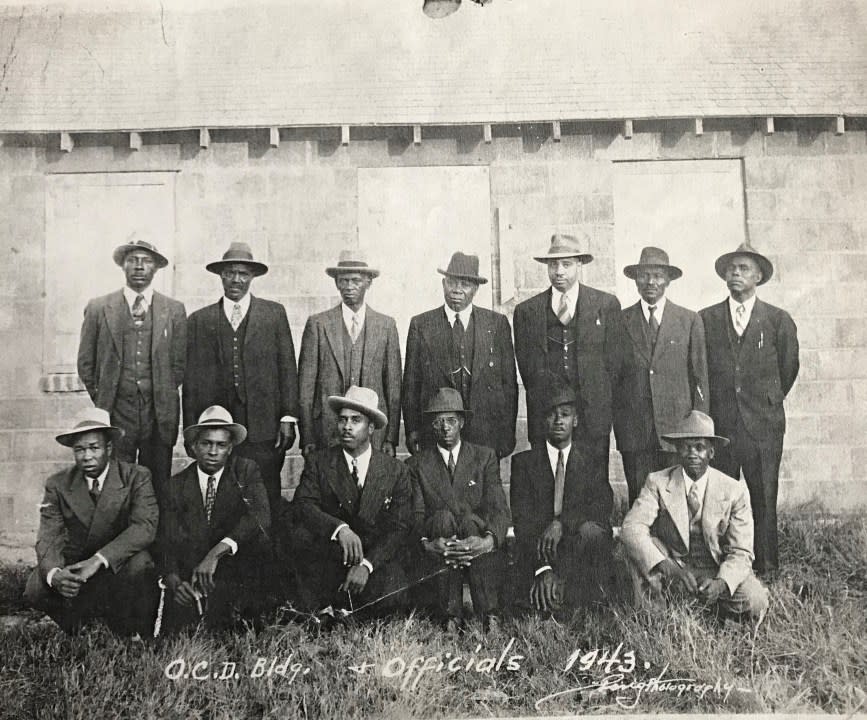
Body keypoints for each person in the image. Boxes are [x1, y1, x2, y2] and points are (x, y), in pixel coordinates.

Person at [699, 243, 799, 575]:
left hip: (763, 427)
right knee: (722, 499)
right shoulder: (707, 319)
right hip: (723, 428)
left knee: (764, 498)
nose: (736, 274)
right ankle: (726, 564)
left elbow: (788, 370)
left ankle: (767, 567)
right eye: (731, 269)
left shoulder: (777, 320)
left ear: (758, 276)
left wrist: (764, 403)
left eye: (743, 268)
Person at [184, 242, 300, 524]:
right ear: (220, 276)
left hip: (264, 427)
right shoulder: (201, 320)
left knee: (266, 492)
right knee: (224, 495)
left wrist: (287, 416)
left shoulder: (273, 314)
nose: (236, 279)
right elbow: (191, 381)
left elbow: (287, 367)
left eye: (243, 274)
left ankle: (267, 559)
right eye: (230, 273)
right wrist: (190, 428)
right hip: (219, 430)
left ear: (252, 277)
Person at [621, 410, 769, 621]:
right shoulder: (658, 482)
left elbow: (742, 551)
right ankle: (661, 615)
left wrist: (721, 583)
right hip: (675, 568)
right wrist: (669, 568)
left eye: (699, 447)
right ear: (677, 451)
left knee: (755, 601)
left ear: (711, 452)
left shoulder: (734, 490)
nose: (692, 454)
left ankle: (704, 607)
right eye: (686, 447)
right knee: (640, 552)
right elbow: (631, 528)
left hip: (716, 569)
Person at [23, 408, 159, 635]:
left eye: (94, 448)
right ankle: (78, 627)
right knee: (35, 587)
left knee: (142, 564)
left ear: (108, 448)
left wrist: (98, 560)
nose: (87, 456)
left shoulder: (136, 476)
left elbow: (145, 527)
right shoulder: (58, 484)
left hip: (116, 565)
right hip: (78, 568)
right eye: (80, 449)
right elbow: (49, 535)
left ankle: (130, 630)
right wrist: (55, 574)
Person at [77, 237, 186, 500]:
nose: (139, 266)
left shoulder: (173, 310)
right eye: (132, 261)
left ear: (156, 268)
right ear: (123, 266)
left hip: (158, 415)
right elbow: (86, 363)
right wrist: (105, 397)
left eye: (146, 261)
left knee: (156, 484)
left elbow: (180, 364)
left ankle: (155, 540)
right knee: (116, 482)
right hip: (116, 414)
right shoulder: (99, 307)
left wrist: (161, 392)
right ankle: (119, 538)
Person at [289, 386, 412, 614]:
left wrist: (366, 565)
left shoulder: (395, 470)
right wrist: (340, 529)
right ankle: (329, 607)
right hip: (332, 556)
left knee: (392, 595)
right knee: (301, 540)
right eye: (342, 420)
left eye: (356, 420)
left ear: (371, 427)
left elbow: (400, 527)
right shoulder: (320, 462)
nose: (346, 427)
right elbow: (303, 504)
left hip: (373, 561)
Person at [513, 233, 624, 479]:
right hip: (547, 414)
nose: (559, 271)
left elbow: (614, 365)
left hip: (591, 414)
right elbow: (527, 368)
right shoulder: (527, 312)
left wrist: (594, 395)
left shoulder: (605, 305)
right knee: (547, 477)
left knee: (593, 480)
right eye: (553, 265)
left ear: (580, 265)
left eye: (566, 264)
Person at [158, 406, 271, 629]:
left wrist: (214, 554)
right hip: (192, 575)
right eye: (206, 443)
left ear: (230, 448)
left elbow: (260, 516)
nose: (213, 451)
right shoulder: (176, 485)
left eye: (221, 445)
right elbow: (166, 538)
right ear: (193, 447)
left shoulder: (245, 471)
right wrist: (173, 580)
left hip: (231, 567)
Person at [407, 388, 509, 630]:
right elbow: (417, 515)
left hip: (475, 541)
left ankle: (488, 613)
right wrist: (427, 543)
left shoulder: (484, 457)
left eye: (451, 420)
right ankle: (449, 615)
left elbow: (499, 510)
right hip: (440, 542)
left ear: (462, 422)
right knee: (442, 518)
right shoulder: (417, 464)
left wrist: (488, 541)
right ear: (431, 426)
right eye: (438, 422)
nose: (445, 428)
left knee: (471, 523)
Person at [615, 246, 709, 505]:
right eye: (644, 275)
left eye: (657, 276)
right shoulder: (621, 321)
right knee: (641, 501)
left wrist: (697, 431)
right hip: (635, 431)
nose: (651, 282)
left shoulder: (689, 320)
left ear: (668, 280)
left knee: (677, 501)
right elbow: (613, 377)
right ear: (635, 280)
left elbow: (700, 378)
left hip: (677, 432)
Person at [403, 252, 517, 459]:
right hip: (436, 433)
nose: (456, 290)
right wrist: (412, 430)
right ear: (443, 284)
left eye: (464, 284)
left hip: (485, 434)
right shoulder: (421, 325)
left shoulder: (496, 324)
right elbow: (411, 384)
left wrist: (507, 433)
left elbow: (509, 385)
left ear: (475, 289)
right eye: (451, 282)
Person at [510, 386, 613, 612]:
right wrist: (543, 569)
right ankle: (550, 590)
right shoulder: (524, 464)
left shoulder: (592, 460)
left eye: (565, 415)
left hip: (576, 549)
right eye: (551, 415)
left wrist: (562, 522)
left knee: (593, 532)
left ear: (575, 421)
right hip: (540, 550)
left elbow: (602, 507)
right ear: (542, 420)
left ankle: (571, 592)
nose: (558, 421)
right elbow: (522, 523)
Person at [299, 250, 402, 458]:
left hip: (374, 433)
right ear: (337, 284)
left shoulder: (386, 325)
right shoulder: (318, 324)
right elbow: (306, 387)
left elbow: (393, 387)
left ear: (368, 283)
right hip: (327, 431)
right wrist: (307, 436)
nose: (349, 287)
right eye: (343, 281)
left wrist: (391, 437)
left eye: (355, 280)